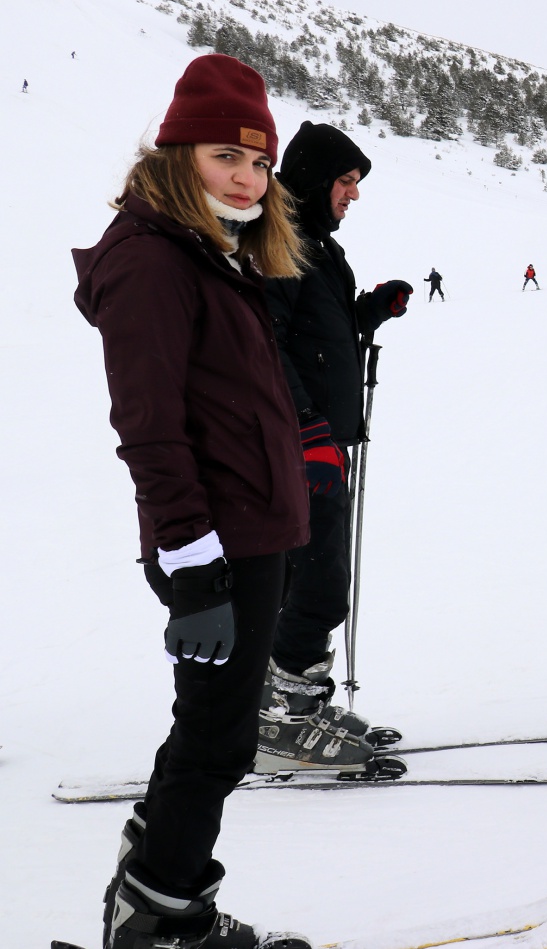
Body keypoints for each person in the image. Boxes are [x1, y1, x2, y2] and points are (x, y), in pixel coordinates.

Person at [72, 53, 314, 947]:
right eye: (226, 156)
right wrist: (193, 564)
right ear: (179, 155)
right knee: (217, 740)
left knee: (212, 729)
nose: (247, 178)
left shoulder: (211, 251)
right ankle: (163, 916)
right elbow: (151, 427)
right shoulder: (152, 262)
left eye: (259, 163)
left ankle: (153, 884)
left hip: (246, 533)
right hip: (214, 543)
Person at [260, 121, 412, 770]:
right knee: (318, 582)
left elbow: (313, 331)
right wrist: (308, 431)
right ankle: (283, 719)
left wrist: (368, 310)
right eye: (345, 181)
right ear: (315, 180)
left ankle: (295, 702)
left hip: (320, 444)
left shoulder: (316, 245)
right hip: (301, 447)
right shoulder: (279, 242)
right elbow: (264, 345)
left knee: (308, 578)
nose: (354, 193)